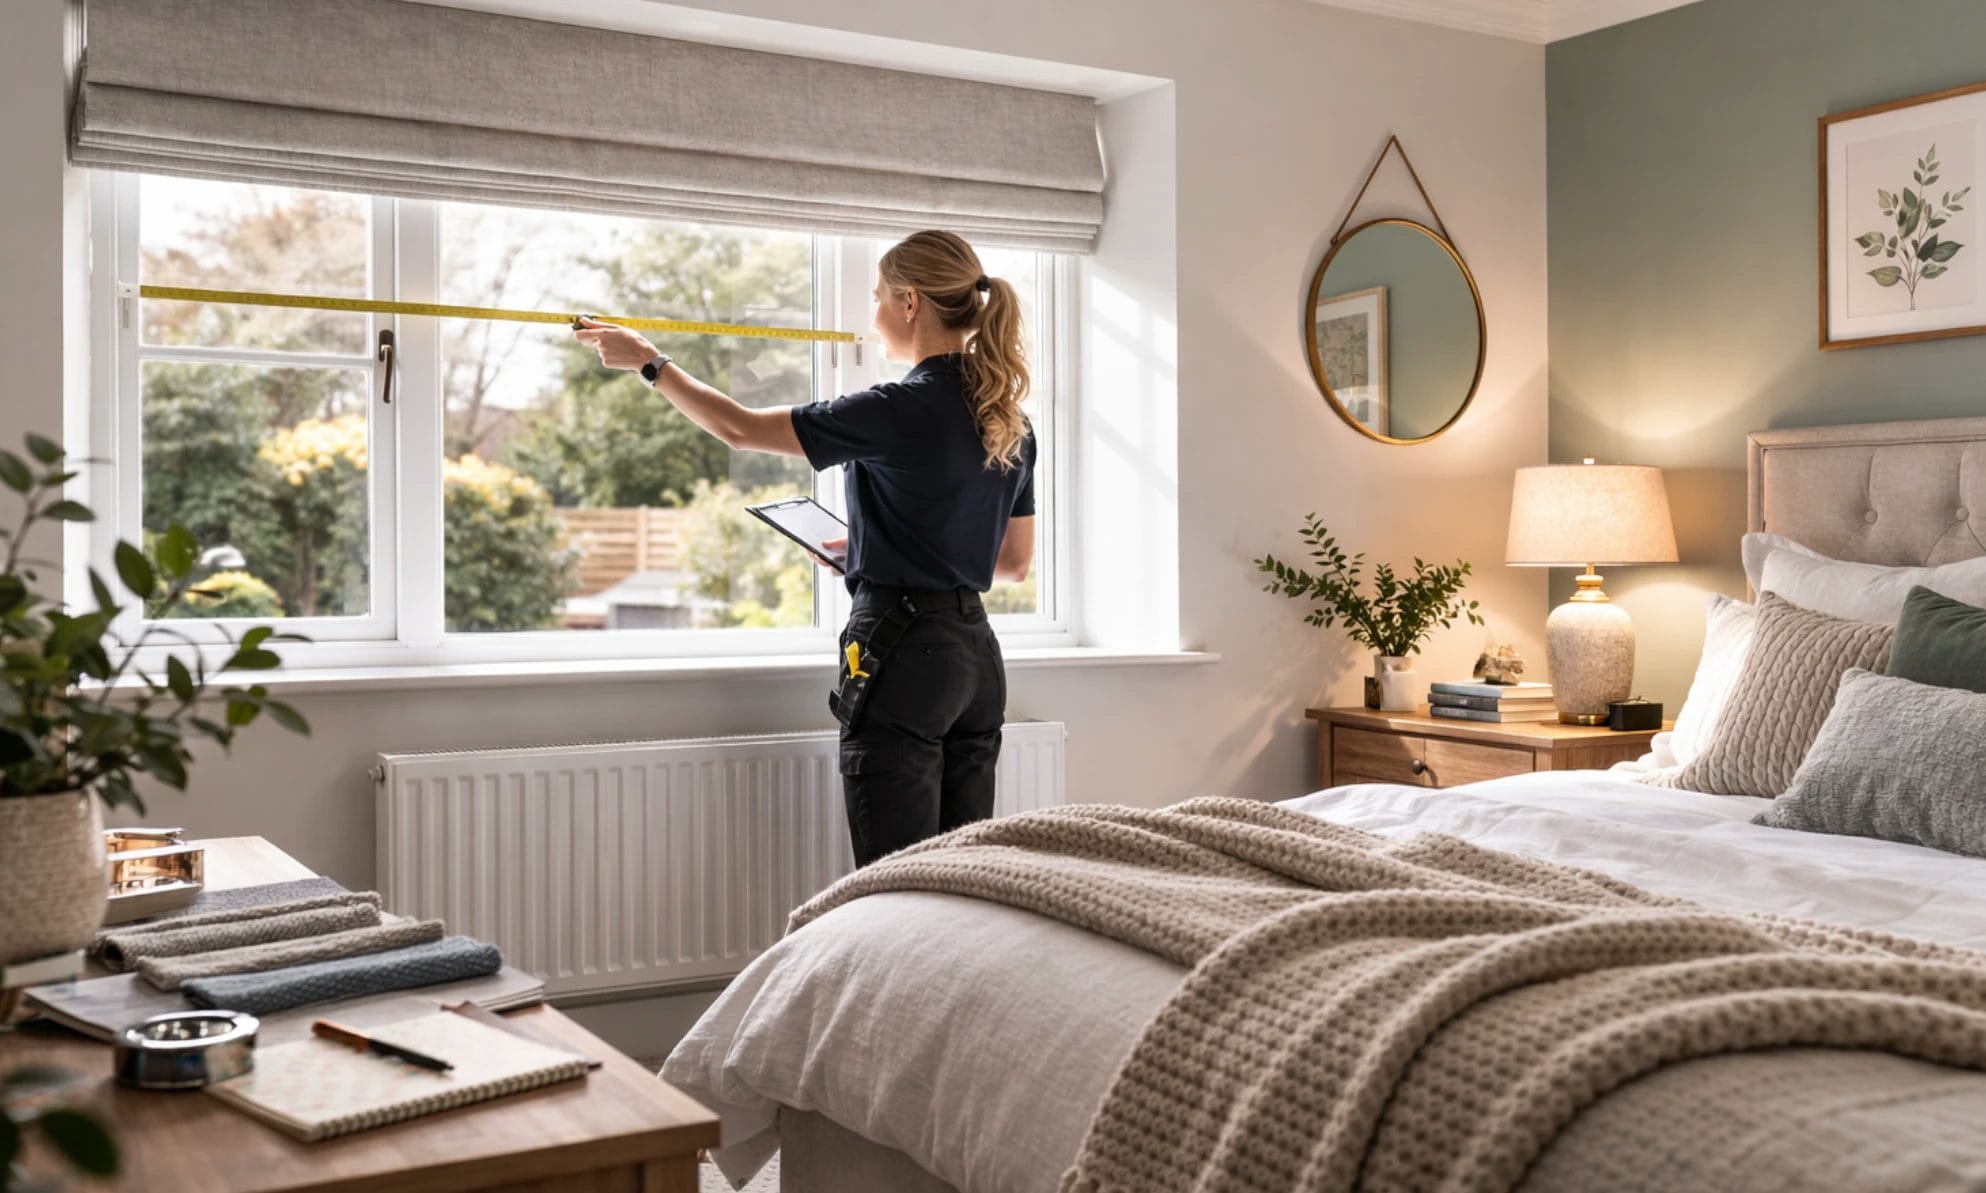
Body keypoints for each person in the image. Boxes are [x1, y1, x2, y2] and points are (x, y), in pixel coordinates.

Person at [575, 229, 1035, 866]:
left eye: (877, 297)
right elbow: (1010, 564)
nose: (872, 318)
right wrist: (872, 546)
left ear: (910, 303)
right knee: (959, 876)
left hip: (904, 654)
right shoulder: (1007, 418)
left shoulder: (899, 407)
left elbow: (738, 428)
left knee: (893, 883)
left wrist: (649, 362)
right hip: (977, 658)